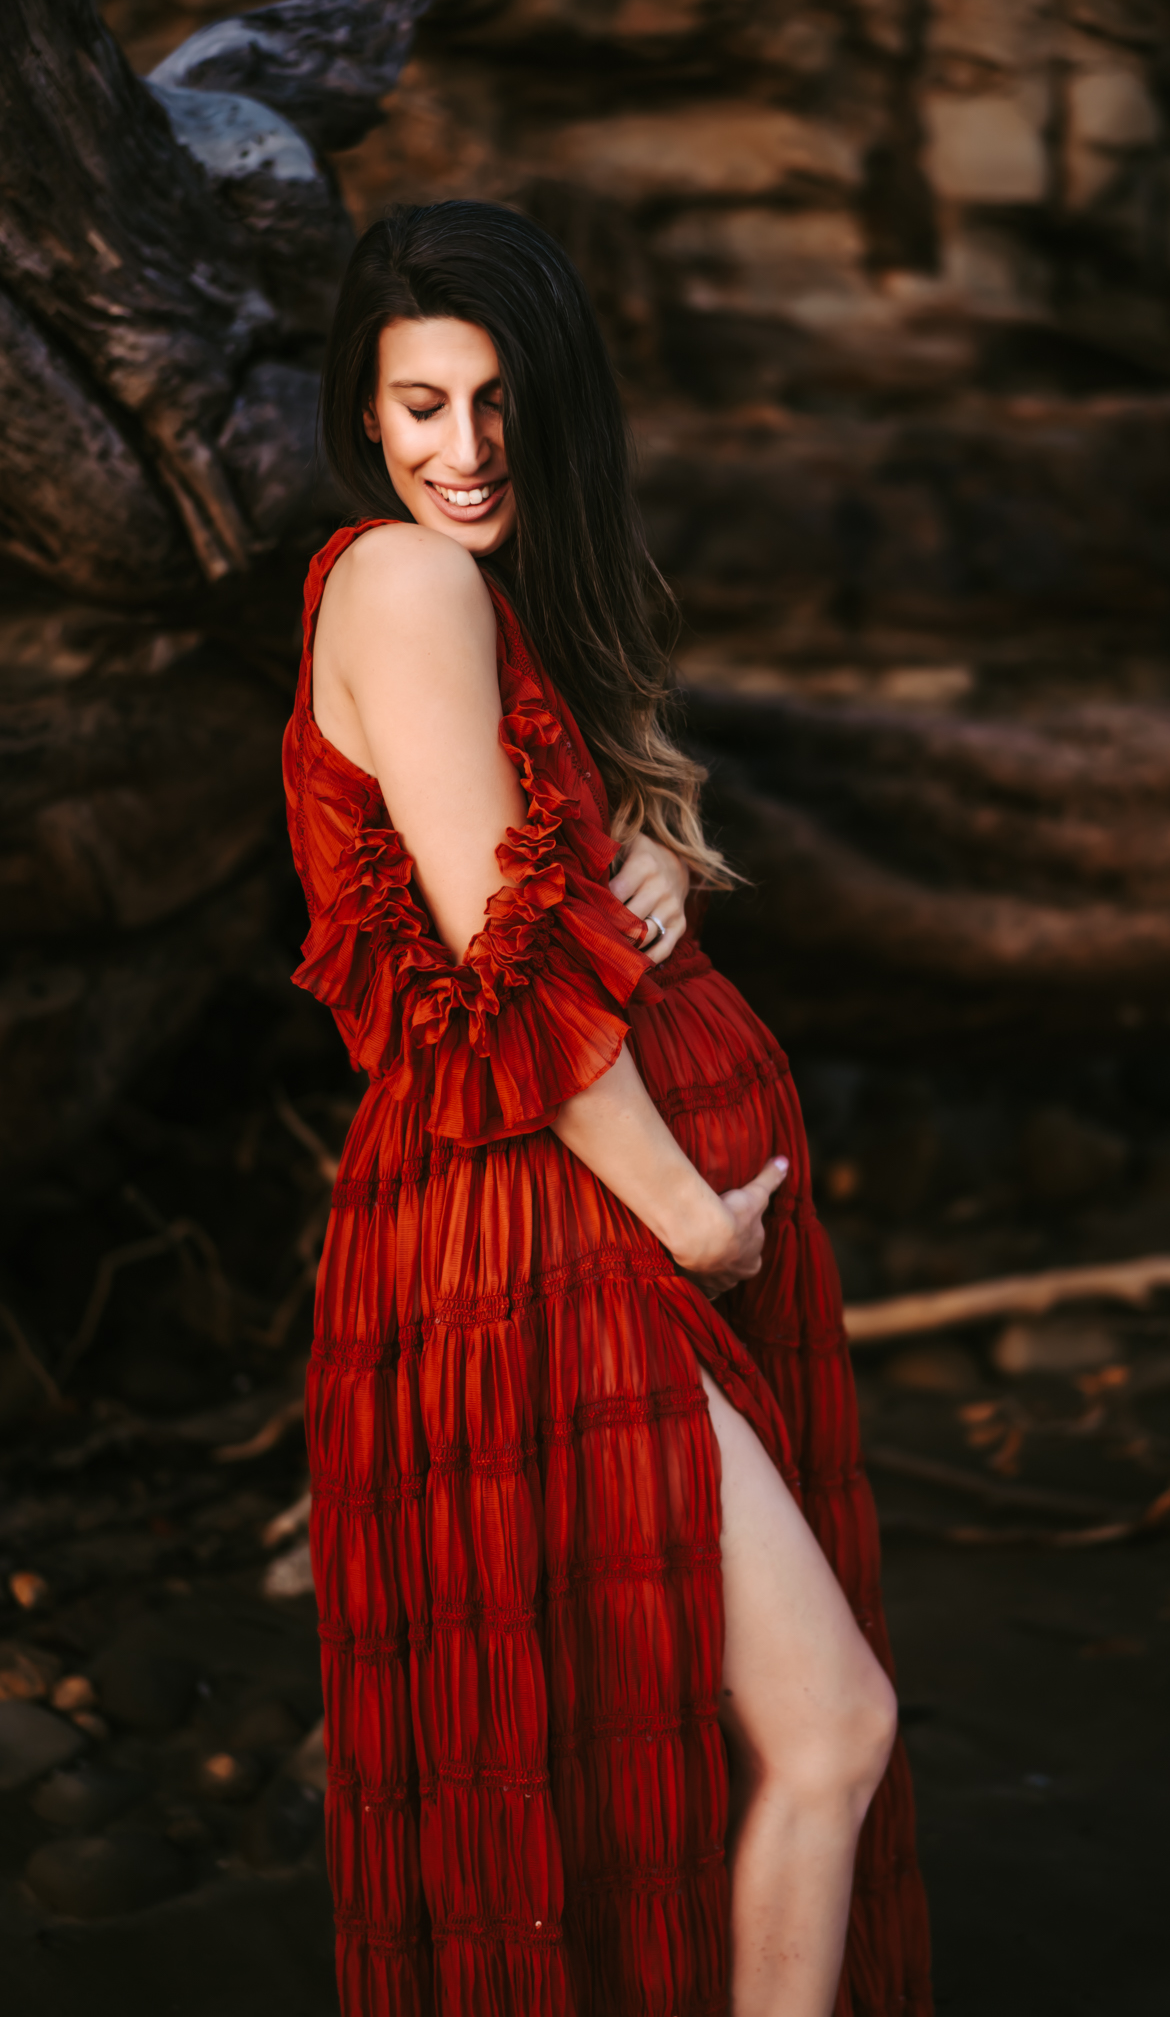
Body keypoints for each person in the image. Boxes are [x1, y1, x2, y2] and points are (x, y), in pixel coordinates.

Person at [283, 198, 932, 2017]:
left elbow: (518, 878)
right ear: (362, 405)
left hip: (571, 1228)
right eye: (418, 405)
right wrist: (692, 1221)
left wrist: (651, 848)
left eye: (496, 403)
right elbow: (501, 975)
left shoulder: (484, 595)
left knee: (691, 1742)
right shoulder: (405, 581)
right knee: (827, 1728)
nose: (460, 452)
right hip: (555, 1239)